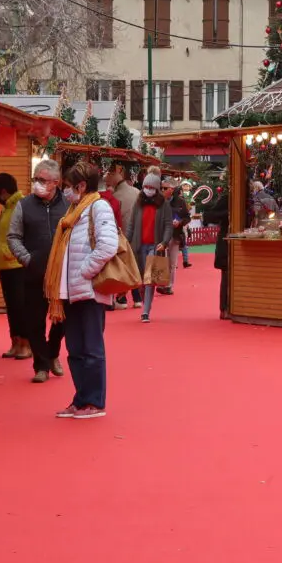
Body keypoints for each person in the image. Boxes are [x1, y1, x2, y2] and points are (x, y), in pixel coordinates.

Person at [44, 161, 119, 419]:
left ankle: (94, 401)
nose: (65, 191)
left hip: (87, 290)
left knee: (91, 348)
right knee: (75, 348)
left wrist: (84, 271)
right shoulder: (75, 210)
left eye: (67, 186)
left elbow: (108, 245)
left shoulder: (98, 207)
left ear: (81, 185)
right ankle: (81, 398)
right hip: (70, 291)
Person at [7, 158, 70, 383]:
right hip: (34, 273)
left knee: (62, 320)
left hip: (62, 276)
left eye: (42, 180)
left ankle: (52, 353)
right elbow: (13, 237)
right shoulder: (23, 205)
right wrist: (27, 259)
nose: (37, 183)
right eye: (35, 179)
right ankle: (41, 365)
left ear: (56, 182)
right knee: (34, 322)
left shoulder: (69, 205)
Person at [0, 173, 30, 360]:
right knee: (11, 306)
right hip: (5, 264)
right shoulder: (7, 208)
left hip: (16, 264)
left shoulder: (20, 206)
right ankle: (15, 342)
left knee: (21, 306)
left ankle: (26, 344)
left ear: (4, 192)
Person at [126, 173, 173, 322]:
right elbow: (131, 225)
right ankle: (145, 303)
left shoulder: (163, 204)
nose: (148, 189)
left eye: (151, 187)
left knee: (149, 280)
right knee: (141, 280)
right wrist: (126, 242)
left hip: (155, 246)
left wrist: (164, 242)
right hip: (138, 246)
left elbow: (168, 224)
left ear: (157, 188)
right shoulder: (138, 203)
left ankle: (145, 311)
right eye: (146, 186)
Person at [105, 163, 140, 310]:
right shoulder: (137, 192)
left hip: (121, 236)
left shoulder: (114, 197)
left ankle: (122, 298)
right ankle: (137, 298)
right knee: (134, 267)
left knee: (121, 268)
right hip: (138, 236)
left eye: (108, 176)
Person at [159, 177, 191, 295]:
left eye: (165, 188)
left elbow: (188, 217)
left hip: (175, 235)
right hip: (161, 235)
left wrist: (180, 222)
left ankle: (168, 286)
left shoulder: (180, 201)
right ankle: (159, 283)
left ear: (171, 189)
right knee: (161, 260)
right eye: (161, 188)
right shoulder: (159, 201)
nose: (162, 190)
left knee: (172, 262)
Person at [203, 188, 230, 318]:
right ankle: (224, 308)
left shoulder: (249, 200)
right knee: (226, 275)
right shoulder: (227, 199)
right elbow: (209, 216)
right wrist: (229, 214)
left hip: (229, 243)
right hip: (225, 243)